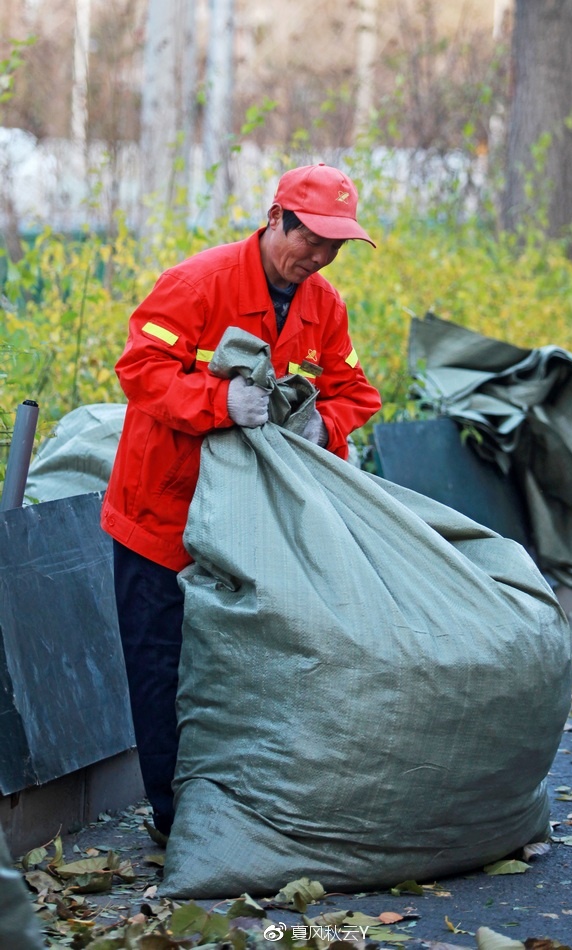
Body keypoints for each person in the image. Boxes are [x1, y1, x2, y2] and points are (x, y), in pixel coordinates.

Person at [101, 163, 382, 837]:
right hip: (162, 514)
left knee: (250, 671)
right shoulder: (199, 283)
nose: (316, 256)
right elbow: (140, 369)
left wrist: (324, 423)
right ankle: (177, 825)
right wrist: (217, 400)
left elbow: (354, 391)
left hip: (256, 526)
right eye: (308, 238)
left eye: (331, 247)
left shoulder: (324, 307)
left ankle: (249, 813)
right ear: (274, 217)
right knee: (161, 667)